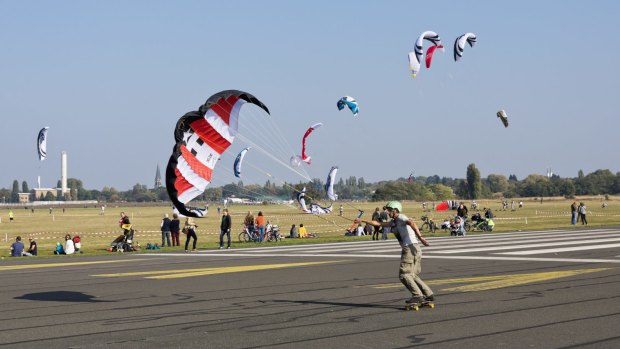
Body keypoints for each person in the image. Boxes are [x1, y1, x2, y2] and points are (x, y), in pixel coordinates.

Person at [355, 201, 434, 305]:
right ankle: (428, 294)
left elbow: (412, 223)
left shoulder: (401, 217)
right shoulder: (395, 221)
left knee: (404, 275)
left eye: (389, 210)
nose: (387, 212)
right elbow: (379, 223)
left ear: (395, 210)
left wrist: (421, 237)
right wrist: (362, 220)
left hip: (409, 248)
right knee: (412, 275)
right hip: (415, 248)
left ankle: (417, 296)